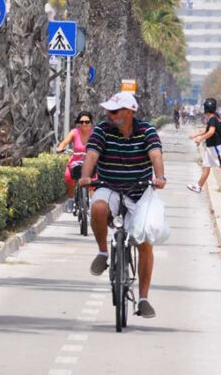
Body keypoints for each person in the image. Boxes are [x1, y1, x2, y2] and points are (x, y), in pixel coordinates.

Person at [78, 91, 166, 319]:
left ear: (129, 112)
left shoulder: (146, 130)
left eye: (115, 111)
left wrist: (160, 177)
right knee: (97, 207)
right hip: (110, 186)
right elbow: (91, 156)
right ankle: (102, 253)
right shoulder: (102, 130)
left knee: (144, 241)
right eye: (108, 110)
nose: (109, 114)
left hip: (139, 191)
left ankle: (144, 299)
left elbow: (155, 154)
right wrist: (86, 177)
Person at [187, 98, 221, 193]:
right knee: (206, 167)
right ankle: (198, 186)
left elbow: (211, 132)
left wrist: (200, 139)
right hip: (211, 147)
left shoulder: (212, 119)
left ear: (205, 109)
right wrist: (196, 135)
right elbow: (207, 131)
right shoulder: (214, 118)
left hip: (216, 147)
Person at [56, 111, 93, 210]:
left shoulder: (94, 134)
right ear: (78, 123)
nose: (84, 124)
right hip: (75, 161)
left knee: (94, 179)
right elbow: (64, 142)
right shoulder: (74, 132)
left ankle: (92, 200)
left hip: (89, 161)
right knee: (68, 176)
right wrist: (60, 147)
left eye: (87, 122)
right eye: (81, 122)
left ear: (90, 123)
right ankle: (71, 199)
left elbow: (101, 144)